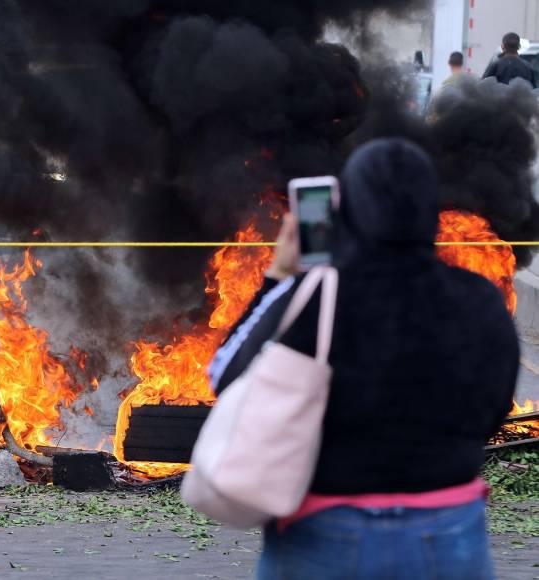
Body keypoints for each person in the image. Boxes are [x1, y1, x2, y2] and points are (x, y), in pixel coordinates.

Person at [208, 139, 519, 579]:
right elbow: (495, 407)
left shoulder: (320, 296)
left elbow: (225, 377)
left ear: (347, 212)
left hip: (323, 534)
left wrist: (280, 276)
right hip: (448, 534)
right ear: (431, 211)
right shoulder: (480, 299)